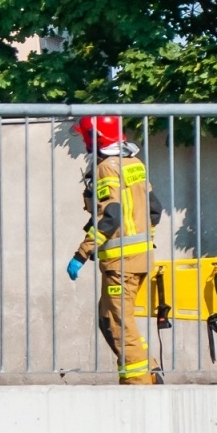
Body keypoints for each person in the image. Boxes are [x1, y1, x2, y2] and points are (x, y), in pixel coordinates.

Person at [66, 115, 164, 384]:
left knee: (118, 324)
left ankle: (139, 384)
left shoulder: (107, 167)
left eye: (86, 135)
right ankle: (151, 370)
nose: (84, 141)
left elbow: (111, 215)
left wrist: (82, 253)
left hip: (121, 263)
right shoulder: (134, 163)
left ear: (96, 136)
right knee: (109, 320)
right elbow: (153, 209)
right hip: (139, 259)